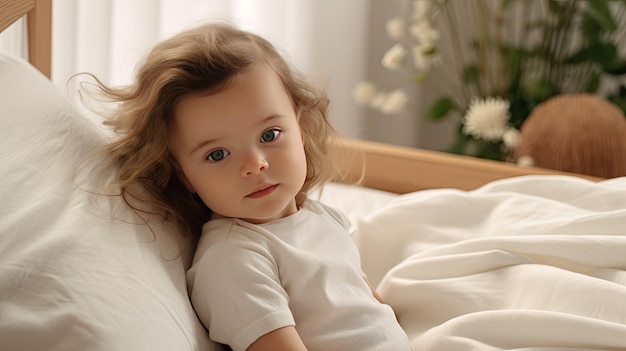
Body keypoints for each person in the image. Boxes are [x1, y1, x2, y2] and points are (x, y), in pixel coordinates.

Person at [88, 22, 413, 351]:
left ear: (299, 126)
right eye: (218, 154)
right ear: (183, 175)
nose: (255, 164)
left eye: (269, 135)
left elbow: (369, 304)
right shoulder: (233, 261)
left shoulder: (320, 217)